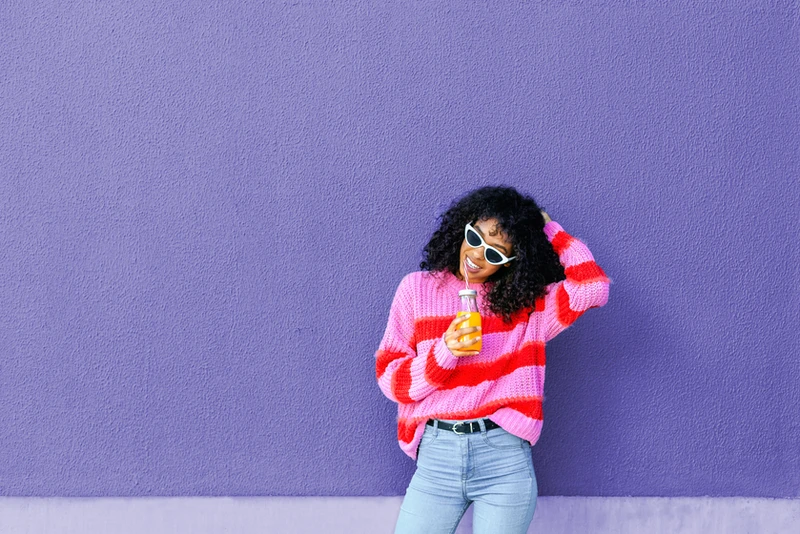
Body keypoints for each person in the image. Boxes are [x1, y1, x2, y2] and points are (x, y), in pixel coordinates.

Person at [375, 186, 610, 534]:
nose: (477, 255)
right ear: (462, 226)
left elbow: (593, 288)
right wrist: (445, 352)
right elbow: (390, 379)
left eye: (496, 253)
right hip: (437, 456)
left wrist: (548, 230)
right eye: (474, 236)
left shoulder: (530, 306)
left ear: (515, 261)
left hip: (504, 457)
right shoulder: (417, 289)